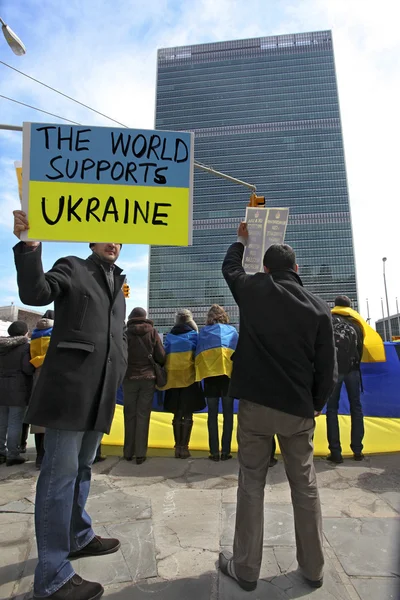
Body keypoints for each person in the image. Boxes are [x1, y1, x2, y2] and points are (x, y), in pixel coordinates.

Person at [13, 210, 127, 600]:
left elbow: (116, 339)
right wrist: (30, 247)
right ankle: (53, 576)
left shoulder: (119, 283)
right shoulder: (73, 267)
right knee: (58, 479)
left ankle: (78, 536)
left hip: (99, 394)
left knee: (81, 471)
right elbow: (36, 293)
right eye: (107, 237)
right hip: (69, 391)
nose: (114, 243)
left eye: (119, 239)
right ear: (91, 242)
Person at [219, 223, 337, 592]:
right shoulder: (319, 309)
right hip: (298, 410)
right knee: (305, 487)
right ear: (297, 270)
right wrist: (315, 405)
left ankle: (246, 570)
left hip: (255, 406)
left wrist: (241, 240)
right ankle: (314, 569)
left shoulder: (254, 290)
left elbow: (230, 269)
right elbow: (327, 368)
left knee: (251, 484)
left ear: (266, 269)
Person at [195, 304, 238, 461]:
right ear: (224, 315)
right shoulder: (232, 331)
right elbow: (237, 353)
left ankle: (213, 452)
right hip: (228, 378)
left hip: (210, 377)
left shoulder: (204, 332)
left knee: (211, 415)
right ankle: (226, 451)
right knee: (228, 415)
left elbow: (198, 353)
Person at [123, 307, 165, 464]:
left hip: (129, 378)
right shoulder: (152, 332)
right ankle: (140, 454)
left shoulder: (125, 333)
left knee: (129, 415)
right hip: (148, 378)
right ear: (144, 317)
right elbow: (161, 356)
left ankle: (128, 452)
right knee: (143, 415)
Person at [326, 295, 365, 464]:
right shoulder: (357, 324)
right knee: (356, 407)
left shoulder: (328, 321)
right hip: (353, 370)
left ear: (335, 306)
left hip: (334, 370)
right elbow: (360, 349)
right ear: (349, 307)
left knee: (332, 410)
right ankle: (357, 450)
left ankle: (335, 452)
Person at [163, 309, 205, 458]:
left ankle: (177, 447)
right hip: (190, 379)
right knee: (187, 414)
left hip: (173, 379)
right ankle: (185, 448)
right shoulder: (195, 336)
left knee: (177, 413)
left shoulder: (169, 337)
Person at [0, 320, 34, 466]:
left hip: (1, 387)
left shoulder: (1, 346)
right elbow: (27, 369)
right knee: (15, 422)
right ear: (25, 332)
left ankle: (0, 452)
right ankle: (13, 454)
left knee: (1, 422)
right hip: (18, 389)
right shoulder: (25, 347)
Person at [30, 309, 55, 469]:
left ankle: (39, 456)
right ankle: (50, 456)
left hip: (37, 373)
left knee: (38, 416)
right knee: (52, 417)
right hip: (53, 372)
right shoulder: (56, 331)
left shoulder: (34, 333)